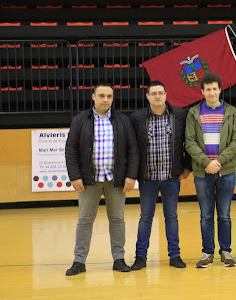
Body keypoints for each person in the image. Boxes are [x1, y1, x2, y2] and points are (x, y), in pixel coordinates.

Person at [64, 81, 138, 276]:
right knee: (85, 220)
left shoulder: (123, 120)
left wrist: (131, 175)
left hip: (116, 179)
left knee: (117, 219)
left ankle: (119, 259)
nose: (106, 100)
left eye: (109, 96)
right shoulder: (80, 120)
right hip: (89, 180)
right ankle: (79, 261)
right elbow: (70, 149)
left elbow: (132, 149)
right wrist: (75, 176)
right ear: (93, 97)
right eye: (102, 96)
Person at [129, 81, 190, 270]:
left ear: (166, 94)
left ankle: (175, 255)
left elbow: (188, 141)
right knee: (145, 217)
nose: (157, 96)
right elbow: (132, 148)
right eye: (153, 93)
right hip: (148, 178)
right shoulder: (137, 118)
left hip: (171, 177)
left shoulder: (179, 115)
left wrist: (187, 167)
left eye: (160, 93)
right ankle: (140, 257)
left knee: (171, 217)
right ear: (147, 96)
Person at [185, 72, 236, 268]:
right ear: (202, 91)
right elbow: (190, 142)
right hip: (202, 172)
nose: (211, 92)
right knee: (206, 215)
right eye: (207, 89)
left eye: (214, 89)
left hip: (225, 171)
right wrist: (206, 163)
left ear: (220, 89)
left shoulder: (231, 112)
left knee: (225, 214)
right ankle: (207, 253)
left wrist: (218, 161)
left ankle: (225, 252)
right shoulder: (193, 113)